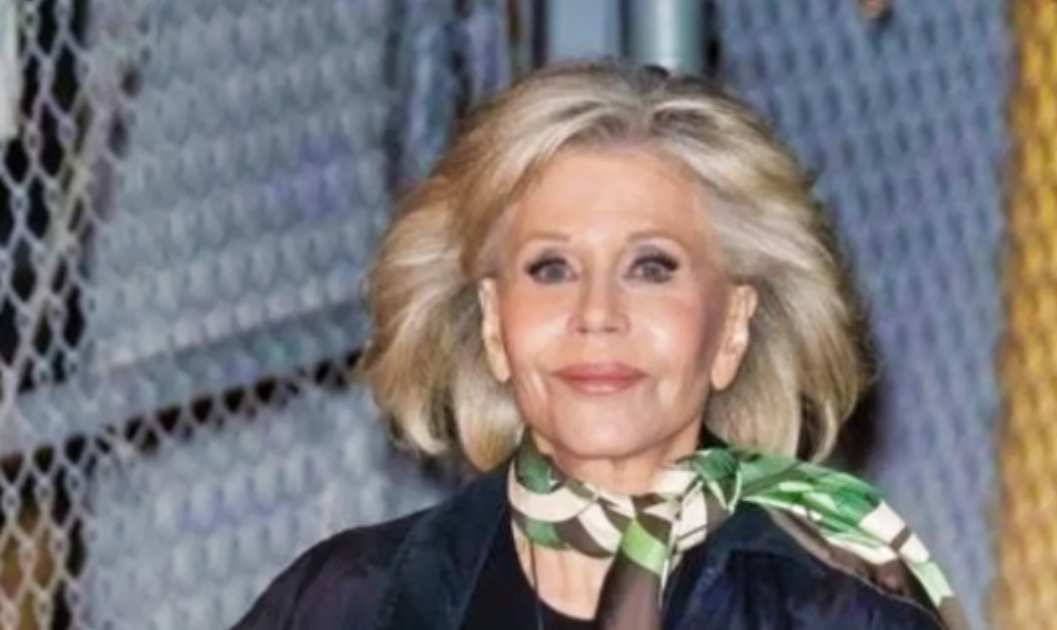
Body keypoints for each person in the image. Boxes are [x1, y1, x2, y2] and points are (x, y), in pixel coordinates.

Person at [229, 60, 967, 630]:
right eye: (551, 268)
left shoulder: (837, 621)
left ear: (732, 326)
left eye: (652, 267)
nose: (597, 314)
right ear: (493, 322)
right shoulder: (343, 605)